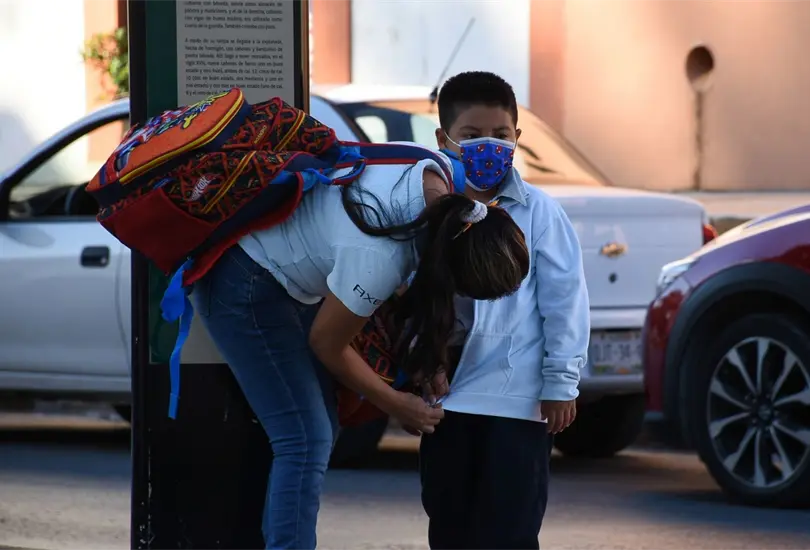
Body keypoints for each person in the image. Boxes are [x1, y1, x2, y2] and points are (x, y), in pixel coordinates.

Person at [193, 152, 530, 550]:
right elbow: (327, 343)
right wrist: (396, 404)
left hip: (285, 272)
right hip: (243, 280)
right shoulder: (379, 256)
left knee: (317, 430)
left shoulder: (437, 179)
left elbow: (400, 294)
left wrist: (423, 363)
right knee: (304, 438)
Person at [417, 71, 591, 550]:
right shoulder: (429, 208)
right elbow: (410, 299)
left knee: (511, 532)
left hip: (520, 405)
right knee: (451, 528)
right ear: (444, 139)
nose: (488, 147)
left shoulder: (539, 212)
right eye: (472, 137)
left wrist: (561, 382)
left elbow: (564, 302)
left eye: (500, 135)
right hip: (448, 406)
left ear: (518, 138)